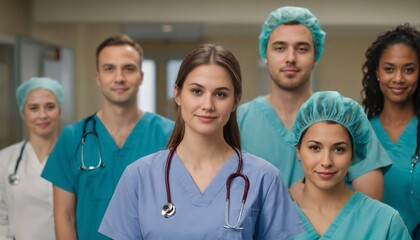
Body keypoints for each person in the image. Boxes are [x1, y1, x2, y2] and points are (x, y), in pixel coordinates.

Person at [99, 43, 304, 239]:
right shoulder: (138, 177)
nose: (207, 105)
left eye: (220, 94)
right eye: (197, 91)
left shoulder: (263, 178)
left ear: (236, 101)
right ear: (178, 94)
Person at [237, 6, 391, 200]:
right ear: (265, 54)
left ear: (315, 56)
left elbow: (370, 204)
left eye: (301, 49)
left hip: (331, 230)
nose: (290, 58)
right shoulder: (239, 120)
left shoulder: (346, 115)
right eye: (280, 48)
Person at [41, 35, 174, 239]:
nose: (119, 78)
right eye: (109, 68)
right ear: (98, 77)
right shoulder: (73, 137)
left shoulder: (168, 134)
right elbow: (64, 216)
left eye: (128, 68)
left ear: (141, 76)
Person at [289, 91, 411, 239]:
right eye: (315, 148)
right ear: (298, 151)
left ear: (353, 154)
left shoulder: (385, 222)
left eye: (339, 149)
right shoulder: (273, 219)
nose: (326, 162)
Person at [361, 23, 420, 236]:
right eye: (389, 68)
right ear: (377, 71)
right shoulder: (360, 134)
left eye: (409, 69)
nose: (398, 78)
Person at [0, 77, 63, 240]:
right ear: (23, 112)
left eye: (50, 107)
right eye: (33, 108)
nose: (42, 115)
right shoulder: (5, 159)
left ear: (59, 110)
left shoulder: (74, 158)